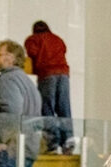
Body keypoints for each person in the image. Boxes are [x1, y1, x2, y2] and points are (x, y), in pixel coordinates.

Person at [0, 39, 41, 167]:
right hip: (27, 150)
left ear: (10, 57)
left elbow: (11, 112)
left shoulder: (7, 80)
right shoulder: (28, 83)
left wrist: (2, 140)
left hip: (11, 151)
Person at [25, 21, 74, 154]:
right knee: (64, 108)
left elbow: (32, 53)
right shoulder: (57, 39)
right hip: (63, 75)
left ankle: (52, 143)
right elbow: (64, 50)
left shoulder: (33, 39)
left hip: (47, 74)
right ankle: (68, 141)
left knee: (47, 108)